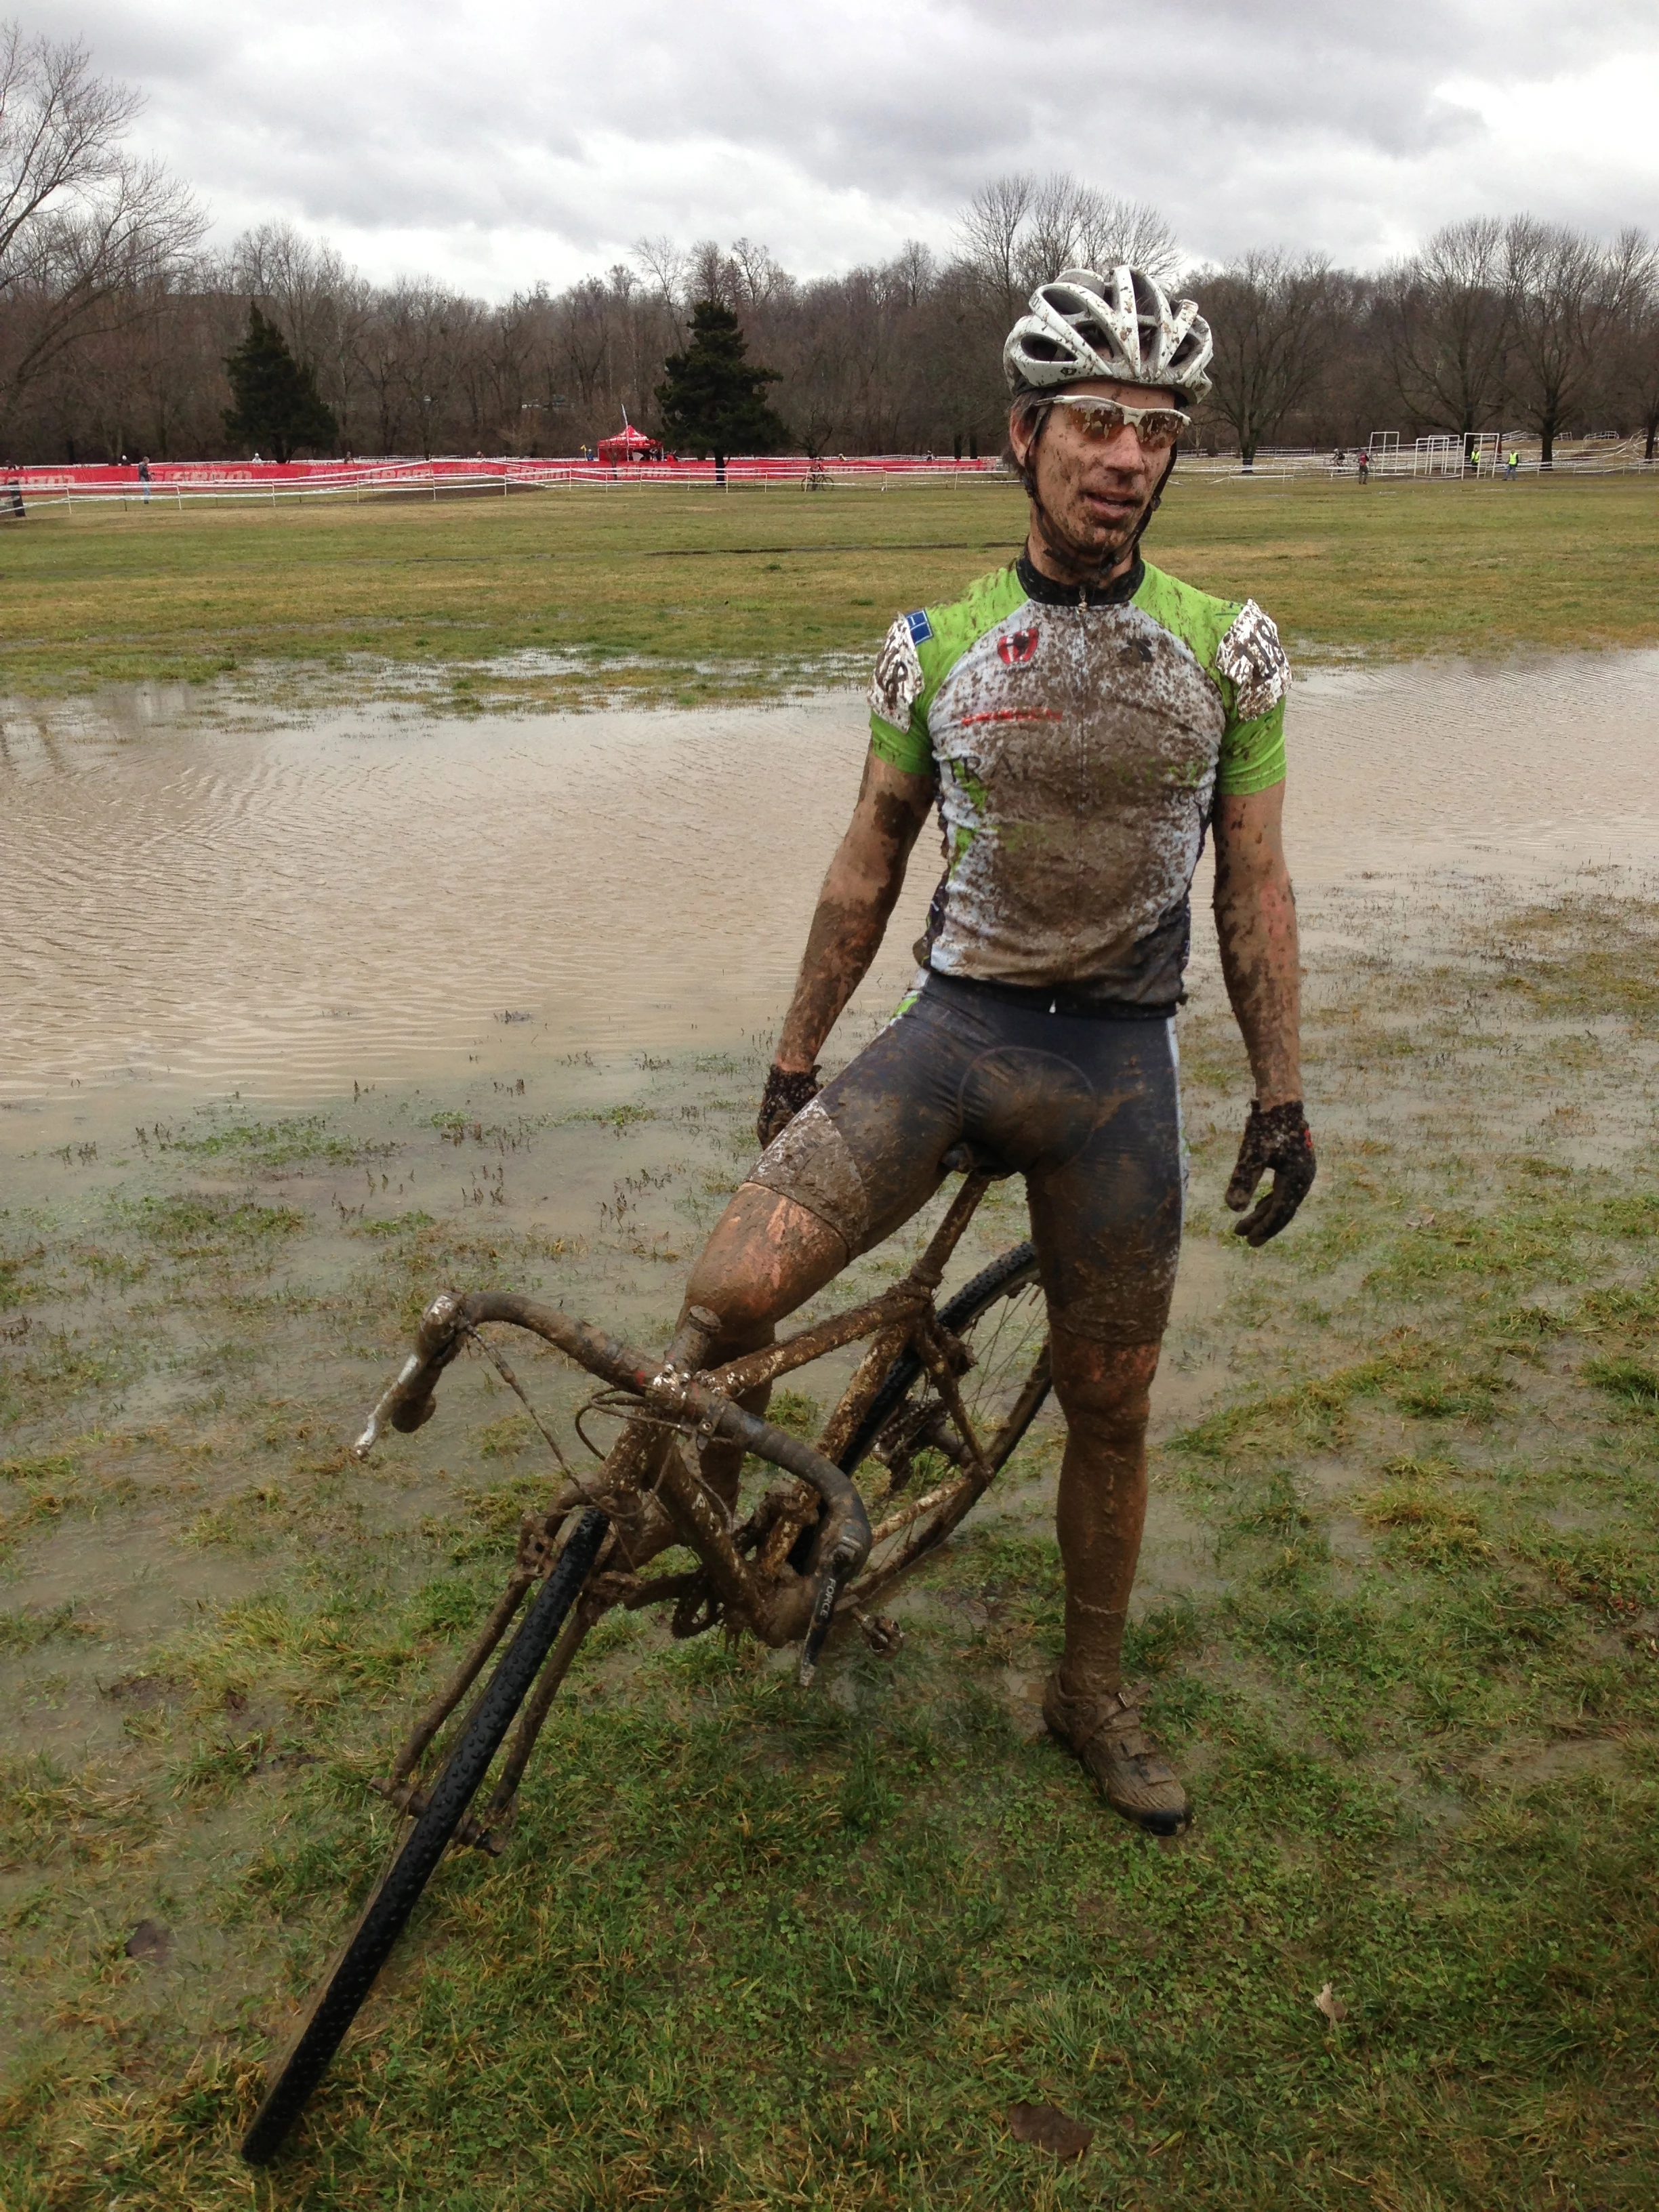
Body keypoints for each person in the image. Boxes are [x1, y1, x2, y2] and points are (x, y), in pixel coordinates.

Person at [678, 266, 1313, 1837]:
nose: (1127, 457)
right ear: (1024, 436)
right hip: (954, 1035)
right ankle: (722, 1529)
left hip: (1116, 1076)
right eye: (1096, 422)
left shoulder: (1232, 651)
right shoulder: (934, 644)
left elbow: (1255, 882)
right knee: (731, 1292)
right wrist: (795, 1054)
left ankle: (1087, 1690)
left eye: (1156, 430)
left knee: (1112, 1406)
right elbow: (870, 853)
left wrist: (1283, 1096)